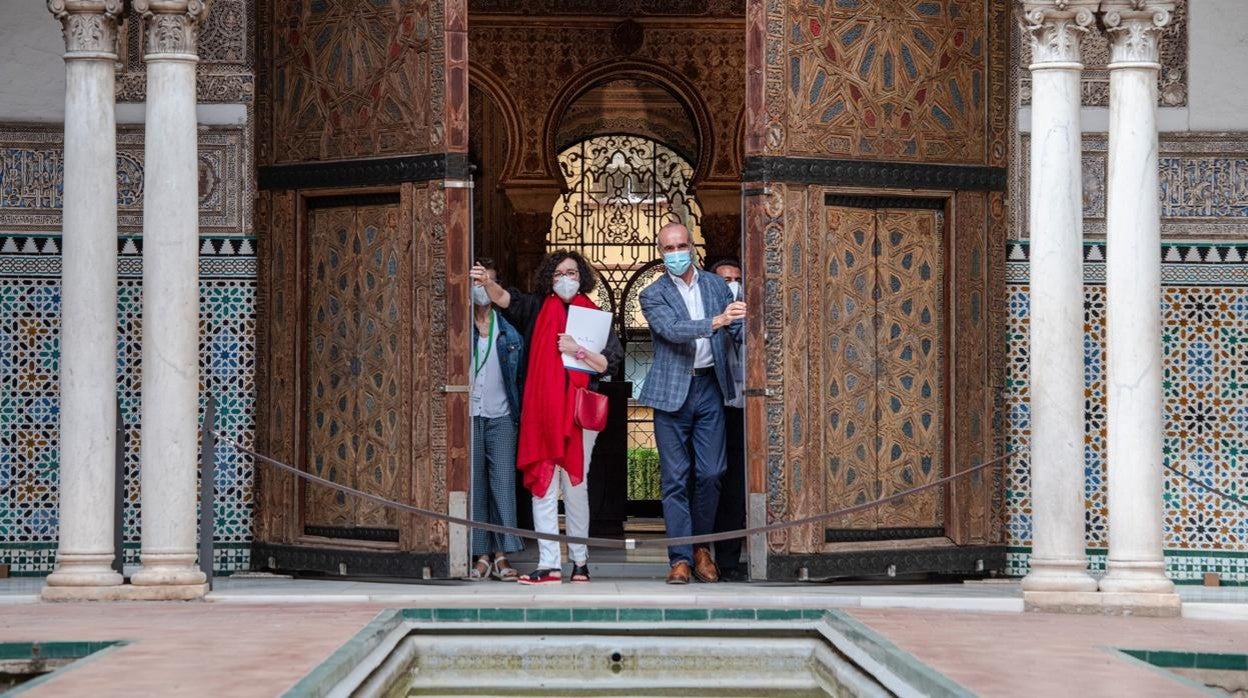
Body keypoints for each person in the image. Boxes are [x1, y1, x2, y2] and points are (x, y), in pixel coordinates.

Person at [470, 251, 622, 585]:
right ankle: (550, 563)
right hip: (542, 414)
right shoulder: (538, 307)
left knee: (576, 487)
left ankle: (580, 562)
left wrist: (577, 350)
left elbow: (610, 362)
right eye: (557, 274)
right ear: (548, 279)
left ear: (582, 276)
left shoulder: (595, 316)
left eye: (571, 272)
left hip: (579, 415)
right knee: (544, 486)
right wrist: (487, 284)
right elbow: (508, 300)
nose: (565, 278)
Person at [638, 223, 745, 585]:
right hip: (671, 394)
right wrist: (717, 321)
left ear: (693, 247)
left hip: (710, 388)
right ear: (660, 252)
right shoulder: (652, 294)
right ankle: (681, 558)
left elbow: (739, 331)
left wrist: (757, 316)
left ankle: (701, 548)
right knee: (675, 480)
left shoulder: (717, 286)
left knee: (712, 473)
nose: (676, 252)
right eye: (669, 248)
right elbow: (673, 330)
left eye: (682, 245)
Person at [466, 259, 526, 581]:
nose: (481, 288)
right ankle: (482, 555)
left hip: (502, 415)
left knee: (502, 484)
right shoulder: (459, 329)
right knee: (476, 486)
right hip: (469, 416)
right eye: (476, 282)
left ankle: (503, 554)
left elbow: (520, 378)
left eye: (487, 281)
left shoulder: (510, 331)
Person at [708, 258, 746, 581]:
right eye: (725, 280)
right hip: (715, 407)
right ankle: (702, 554)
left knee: (738, 485)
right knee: (711, 479)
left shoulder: (749, 317)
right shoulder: (707, 314)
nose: (732, 285)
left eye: (736, 279)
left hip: (749, 410)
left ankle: (731, 562)